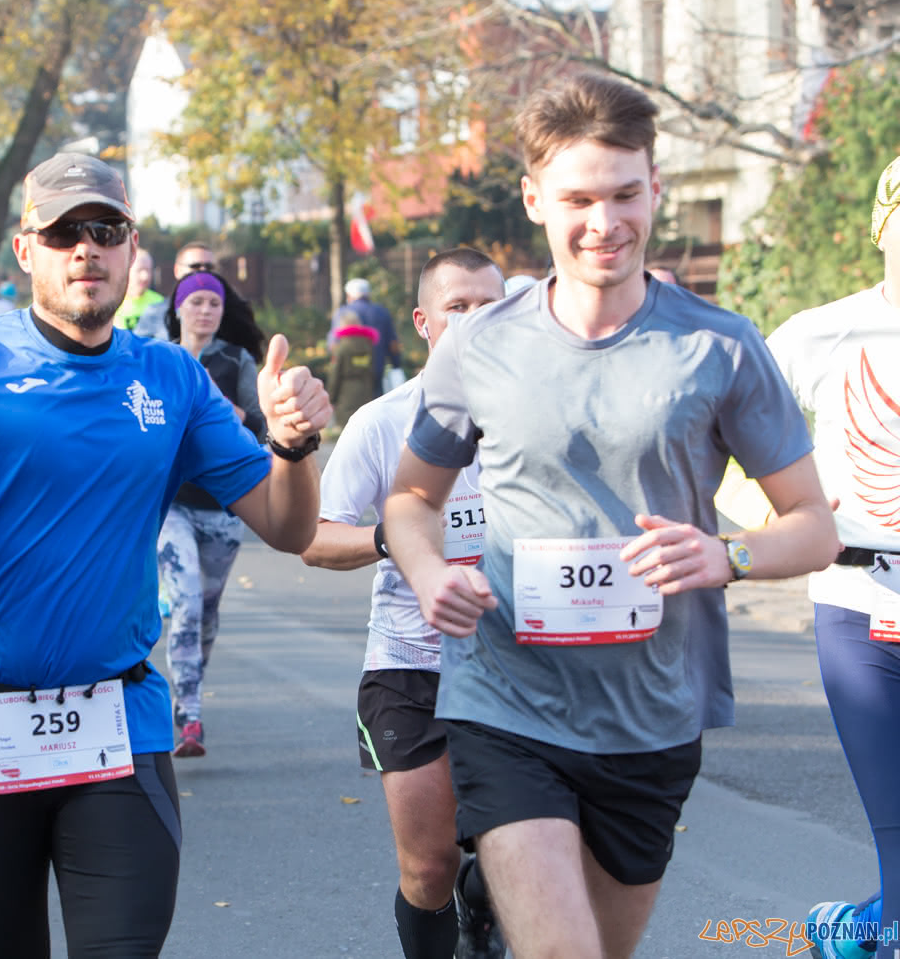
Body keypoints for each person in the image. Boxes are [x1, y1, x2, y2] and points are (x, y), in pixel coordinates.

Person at [0, 151, 333, 959]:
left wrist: (295, 446)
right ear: (26, 249)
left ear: (131, 246)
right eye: (61, 232)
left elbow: (288, 528)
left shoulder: (172, 379)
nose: (86, 248)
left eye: (105, 229)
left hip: (118, 726)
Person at [381, 72, 840, 959]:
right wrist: (432, 570)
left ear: (656, 189)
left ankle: (492, 912)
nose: (605, 222)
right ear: (534, 201)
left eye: (626, 194)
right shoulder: (481, 343)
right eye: (579, 199)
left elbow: (814, 524)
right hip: (506, 700)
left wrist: (726, 555)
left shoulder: (719, 344)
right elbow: (410, 500)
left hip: (653, 714)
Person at [302, 248, 508, 959]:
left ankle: (488, 913)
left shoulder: (543, 420)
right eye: (459, 306)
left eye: (492, 305)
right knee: (429, 866)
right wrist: (398, 540)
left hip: (523, 666)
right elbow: (314, 539)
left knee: (513, 852)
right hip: (410, 664)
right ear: (423, 322)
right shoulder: (383, 422)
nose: (477, 319)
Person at [767, 153, 900, 959]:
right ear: (885, 225)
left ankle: (852, 930)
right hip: (861, 612)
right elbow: (726, 448)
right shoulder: (820, 332)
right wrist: (788, 521)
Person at [155, 267, 264, 757]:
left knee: (207, 611)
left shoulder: (237, 361)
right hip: (171, 503)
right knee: (185, 601)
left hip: (222, 507)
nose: (204, 310)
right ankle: (190, 715)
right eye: (195, 301)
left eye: (213, 304)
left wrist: (237, 416)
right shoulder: (157, 359)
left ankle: (191, 689)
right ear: (178, 308)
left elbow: (263, 428)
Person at [329, 277, 401, 405]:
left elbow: (333, 345)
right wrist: (397, 365)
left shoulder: (342, 313)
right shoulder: (382, 312)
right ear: (368, 294)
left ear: (349, 295)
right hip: (376, 370)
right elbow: (393, 344)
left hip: (349, 377)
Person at [134, 241, 217, 339]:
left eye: (209, 267)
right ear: (177, 270)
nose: (203, 272)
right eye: (195, 266)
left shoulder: (229, 315)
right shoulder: (155, 313)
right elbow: (137, 352)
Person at [117, 249, 165, 330]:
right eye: (140, 270)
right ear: (126, 270)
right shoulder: (112, 303)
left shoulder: (160, 303)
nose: (145, 276)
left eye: (148, 270)